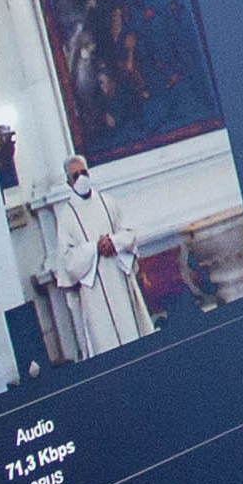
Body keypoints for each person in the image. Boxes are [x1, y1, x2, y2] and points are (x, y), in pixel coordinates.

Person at [33, 150, 153, 356]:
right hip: (94, 290)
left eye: (84, 173)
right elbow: (67, 260)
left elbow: (129, 233)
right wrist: (94, 248)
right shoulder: (67, 216)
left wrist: (112, 242)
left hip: (119, 279)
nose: (81, 178)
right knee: (105, 343)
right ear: (69, 182)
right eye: (75, 176)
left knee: (131, 334)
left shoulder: (107, 203)